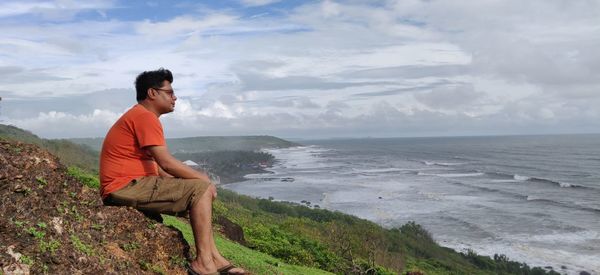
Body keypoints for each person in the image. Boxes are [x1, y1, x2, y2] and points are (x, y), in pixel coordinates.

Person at [99, 68, 246, 275]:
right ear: (152, 93)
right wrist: (204, 180)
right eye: (169, 92)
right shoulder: (144, 117)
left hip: (131, 185)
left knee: (198, 190)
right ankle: (204, 262)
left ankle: (215, 258)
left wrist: (191, 185)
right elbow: (166, 162)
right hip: (125, 187)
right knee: (201, 188)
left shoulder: (140, 116)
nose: (174, 97)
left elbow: (159, 169)